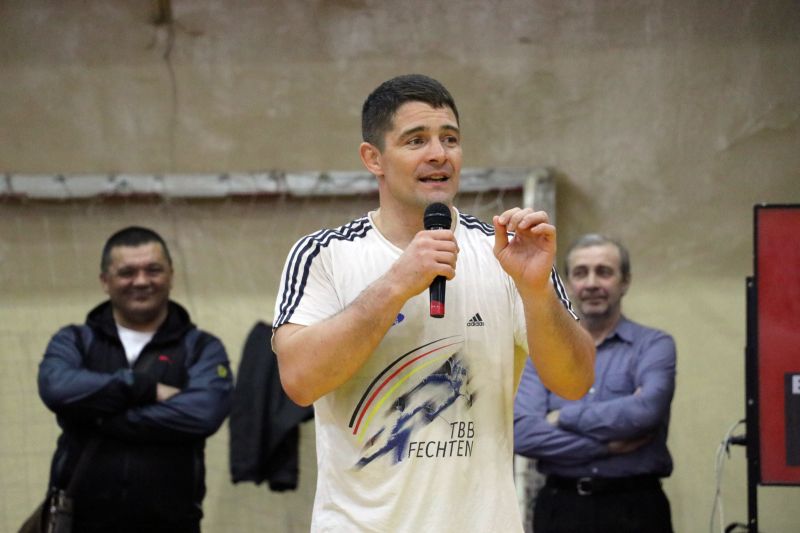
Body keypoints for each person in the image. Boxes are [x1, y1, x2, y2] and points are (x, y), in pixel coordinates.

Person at [272, 74, 595, 532]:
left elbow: (576, 381)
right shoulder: (324, 254)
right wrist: (396, 284)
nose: (439, 154)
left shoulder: (504, 251)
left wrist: (537, 291)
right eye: (416, 140)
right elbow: (300, 381)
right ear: (373, 158)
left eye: (450, 139)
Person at [37, 226, 233, 533]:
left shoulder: (201, 347)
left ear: (171, 275)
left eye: (153, 270)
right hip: (78, 523)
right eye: (127, 272)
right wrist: (143, 388)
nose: (141, 281)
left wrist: (99, 416)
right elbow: (56, 388)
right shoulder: (75, 340)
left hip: (172, 524)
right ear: (105, 281)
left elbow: (203, 413)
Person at [514, 233, 676, 533]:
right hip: (561, 509)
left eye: (604, 272)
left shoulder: (653, 345)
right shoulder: (541, 353)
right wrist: (609, 445)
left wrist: (562, 417)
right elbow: (524, 434)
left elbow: (645, 413)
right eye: (580, 273)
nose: (591, 283)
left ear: (625, 281)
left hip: (636, 508)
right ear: (568, 283)